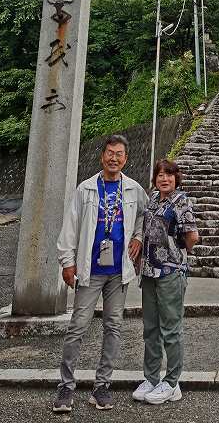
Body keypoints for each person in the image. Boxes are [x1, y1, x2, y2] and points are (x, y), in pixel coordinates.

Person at [53, 134, 148, 414]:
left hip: (119, 271)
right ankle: (66, 386)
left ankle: (102, 386)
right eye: (109, 153)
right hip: (89, 269)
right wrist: (67, 262)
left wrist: (139, 238)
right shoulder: (86, 189)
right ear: (102, 156)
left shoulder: (132, 189)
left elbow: (145, 214)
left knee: (113, 327)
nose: (114, 158)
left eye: (119, 154)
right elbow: (70, 226)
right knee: (77, 327)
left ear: (126, 158)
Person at [132, 159, 199, 405]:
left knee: (171, 329)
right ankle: (151, 378)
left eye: (169, 175)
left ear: (176, 178)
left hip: (170, 272)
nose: (164, 179)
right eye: (160, 175)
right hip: (149, 272)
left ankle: (172, 382)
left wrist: (177, 255)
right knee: (150, 329)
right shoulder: (152, 199)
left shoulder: (181, 201)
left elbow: (192, 236)